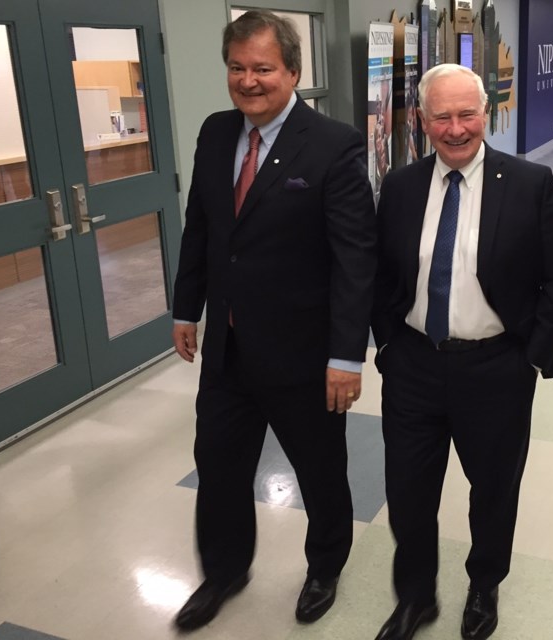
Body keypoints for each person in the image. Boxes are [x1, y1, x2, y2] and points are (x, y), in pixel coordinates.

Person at [170, 10, 378, 632]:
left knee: (320, 471)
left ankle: (324, 567)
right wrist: (188, 306)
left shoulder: (333, 143)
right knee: (219, 463)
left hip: (305, 356)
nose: (249, 81)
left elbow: (354, 259)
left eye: (263, 68)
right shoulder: (214, 132)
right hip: (228, 350)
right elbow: (202, 230)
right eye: (238, 68)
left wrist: (346, 356)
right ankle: (225, 571)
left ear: (292, 70)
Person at [370, 64, 553, 640]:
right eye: (442, 116)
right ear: (422, 119)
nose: (456, 129)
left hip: (497, 368)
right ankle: (415, 597)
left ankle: (483, 587)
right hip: (413, 364)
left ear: (486, 115)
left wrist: (531, 355)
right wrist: (388, 341)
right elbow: (383, 273)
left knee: (493, 491)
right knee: (408, 494)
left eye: (467, 114)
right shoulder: (402, 186)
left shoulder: (530, 182)